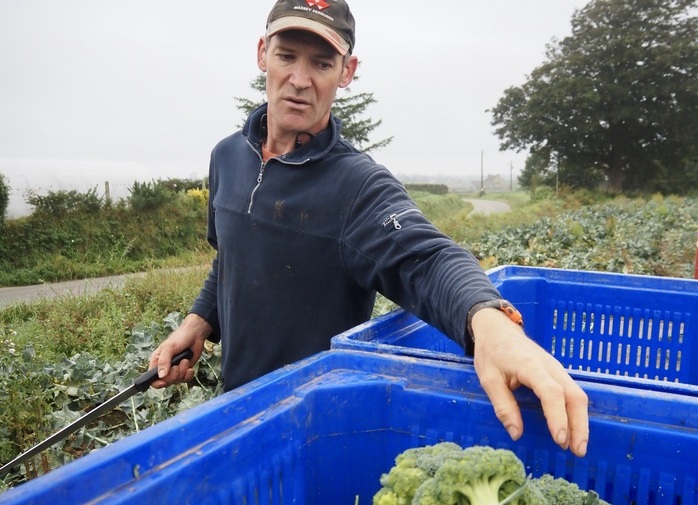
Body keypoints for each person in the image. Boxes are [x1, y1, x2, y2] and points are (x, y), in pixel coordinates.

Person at [149, 0, 589, 457]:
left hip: (311, 429)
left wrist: (490, 323)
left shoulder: (357, 186)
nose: (300, 79)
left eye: (322, 63)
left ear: (347, 71)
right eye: (287, 56)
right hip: (235, 410)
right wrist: (198, 322)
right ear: (263, 53)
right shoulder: (227, 157)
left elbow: (429, 259)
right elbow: (231, 256)